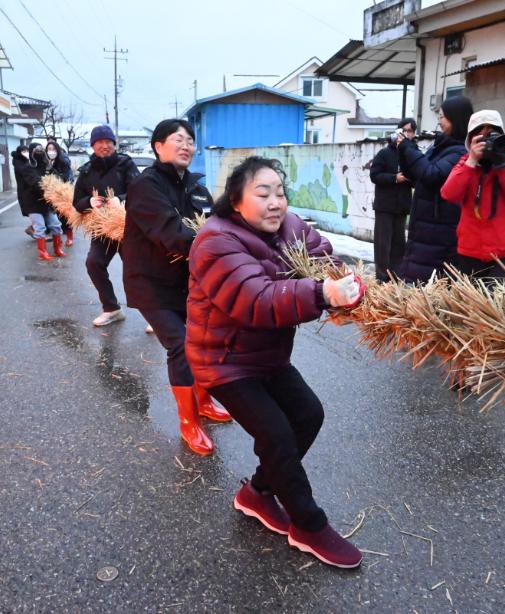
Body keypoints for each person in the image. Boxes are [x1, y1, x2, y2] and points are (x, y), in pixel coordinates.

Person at [186, 156, 366, 568]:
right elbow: (255, 300)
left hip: (266, 354)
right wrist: (321, 294)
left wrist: (345, 287)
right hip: (224, 361)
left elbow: (322, 256)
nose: (275, 203)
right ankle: (308, 525)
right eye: (262, 194)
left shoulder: (290, 227)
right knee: (278, 435)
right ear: (235, 201)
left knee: (308, 414)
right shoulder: (215, 241)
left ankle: (258, 492)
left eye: (280, 193)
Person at [122, 119, 231, 456]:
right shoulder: (145, 186)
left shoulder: (194, 185)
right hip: (150, 284)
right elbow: (171, 234)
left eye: (190, 140)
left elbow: (217, 220)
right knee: (182, 345)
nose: (185, 145)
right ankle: (188, 423)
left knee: (203, 340)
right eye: (177, 139)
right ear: (158, 146)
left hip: (186, 281)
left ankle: (203, 400)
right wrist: (223, 247)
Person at [440, 109, 505, 282]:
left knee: (497, 305)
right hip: (471, 250)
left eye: (491, 134)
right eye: (479, 135)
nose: (486, 141)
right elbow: (448, 194)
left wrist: (503, 166)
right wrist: (471, 162)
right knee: (472, 305)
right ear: (470, 140)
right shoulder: (466, 163)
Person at [395, 96, 474, 283]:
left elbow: (432, 175)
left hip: (440, 229)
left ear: (456, 119)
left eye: (443, 117)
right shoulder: (440, 145)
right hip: (425, 226)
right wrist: (404, 151)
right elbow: (417, 174)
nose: (439, 121)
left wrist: (409, 149)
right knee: (415, 277)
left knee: (429, 282)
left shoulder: (460, 152)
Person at [72, 125, 140, 327]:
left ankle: (156, 314)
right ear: (93, 145)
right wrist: (88, 203)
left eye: (108, 141)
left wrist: (121, 199)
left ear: (114, 144)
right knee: (93, 263)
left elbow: (141, 190)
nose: (105, 145)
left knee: (137, 269)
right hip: (102, 229)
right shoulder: (86, 170)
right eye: (100, 142)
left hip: (128, 228)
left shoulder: (125, 164)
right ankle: (112, 308)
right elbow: (77, 201)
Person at [369, 118, 416, 281]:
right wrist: (394, 178)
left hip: (402, 206)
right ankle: (382, 277)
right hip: (384, 206)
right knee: (383, 243)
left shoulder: (413, 154)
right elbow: (374, 175)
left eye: (410, 131)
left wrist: (410, 177)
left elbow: (419, 177)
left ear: (414, 134)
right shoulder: (385, 153)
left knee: (399, 244)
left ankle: (396, 276)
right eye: (404, 130)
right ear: (397, 132)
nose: (406, 133)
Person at [14, 143, 65, 260]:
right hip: (32, 203)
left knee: (56, 225)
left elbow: (56, 176)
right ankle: (42, 252)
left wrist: (58, 183)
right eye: (36, 150)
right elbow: (34, 182)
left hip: (46, 202)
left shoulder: (45, 165)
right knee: (40, 227)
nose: (39, 152)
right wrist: (46, 186)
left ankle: (57, 249)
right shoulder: (26, 167)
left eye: (41, 150)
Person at [44, 140, 76, 246]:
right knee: (53, 217)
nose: (51, 152)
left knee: (65, 216)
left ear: (57, 150)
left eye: (53, 149)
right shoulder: (45, 162)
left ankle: (69, 237)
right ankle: (57, 238)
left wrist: (60, 184)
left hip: (62, 193)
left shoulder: (63, 161)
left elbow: (69, 177)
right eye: (49, 149)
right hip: (50, 194)